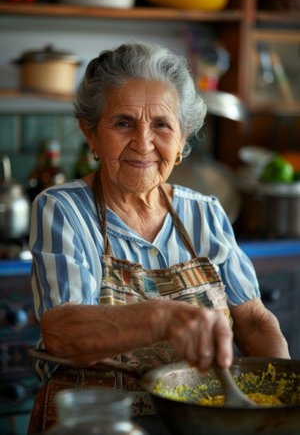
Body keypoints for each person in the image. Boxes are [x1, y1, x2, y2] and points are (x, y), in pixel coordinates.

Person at [27, 43, 290, 434]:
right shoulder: (63, 208)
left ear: (183, 141)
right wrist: (163, 317)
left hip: (198, 421)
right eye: (123, 123)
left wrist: (279, 401)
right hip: (96, 422)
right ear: (91, 134)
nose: (144, 141)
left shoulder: (205, 212)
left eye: (162, 125)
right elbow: (64, 332)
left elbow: (252, 321)